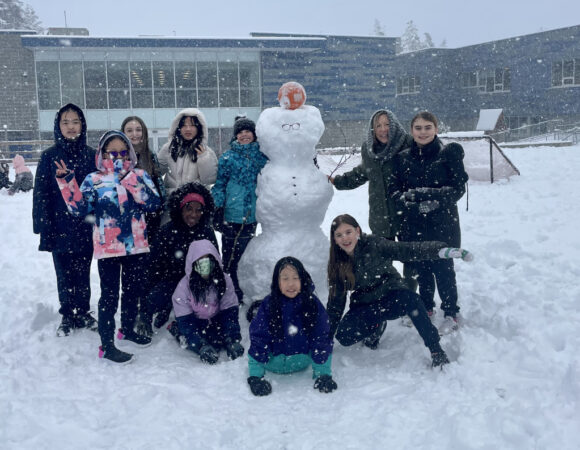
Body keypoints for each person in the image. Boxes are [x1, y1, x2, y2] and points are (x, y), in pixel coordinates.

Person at [56, 130, 161, 364]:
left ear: (130, 154)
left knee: (133, 292)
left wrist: (131, 181)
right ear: (102, 153)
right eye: (112, 152)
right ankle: (107, 344)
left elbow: (154, 204)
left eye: (123, 152)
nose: (118, 157)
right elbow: (79, 209)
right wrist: (66, 182)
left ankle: (127, 329)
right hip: (108, 248)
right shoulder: (93, 179)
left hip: (137, 246)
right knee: (109, 296)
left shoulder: (140, 174)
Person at [326, 214, 473, 368]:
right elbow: (335, 305)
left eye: (348, 232)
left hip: (391, 294)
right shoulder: (337, 262)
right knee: (344, 336)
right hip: (365, 305)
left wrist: (440, 250)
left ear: (357, 230)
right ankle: (377, 325)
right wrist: (326, 339)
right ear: (334, 239)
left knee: (413, 301)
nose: (345, 238)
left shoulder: (374, 244)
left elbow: (407, 250)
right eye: (339, 235)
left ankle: (436, 350)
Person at [389, 111, 469, 335]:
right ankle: (427, 308)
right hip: (413, 224)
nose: (422, 132)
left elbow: (458, 188)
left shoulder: (447, 155)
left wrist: (434, 200)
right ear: (411, 131)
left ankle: (452, 312)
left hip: (443, 223)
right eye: (418, 128)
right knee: (421, 269)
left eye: (427, 127)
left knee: (443, 269)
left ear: (436, 129)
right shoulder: (403, 158)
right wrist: (410, 204)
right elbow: (394, 190)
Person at [32, 103, 96, 337]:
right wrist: (42, 224)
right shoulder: (49, 156)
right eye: (66, 122)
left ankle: (83, 311)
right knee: (64, 273)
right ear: (58, 126)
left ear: (82, 125)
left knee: (83, 271)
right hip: (58, 227)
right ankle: (68, 313)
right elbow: (41, 193)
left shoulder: (90, 155)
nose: (71, 127)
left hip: (84, 226)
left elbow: (95, 192)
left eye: (75, 122)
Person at [247, 257, 337, 397]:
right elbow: (259, 338)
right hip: (272, 364)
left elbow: (321, 338)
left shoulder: (312, 304)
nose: (291, 284)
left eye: (296, 278)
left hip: (301, 362)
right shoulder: (268, 304)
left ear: (302, 280)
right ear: (278, 282)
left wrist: (323, 374)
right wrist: (255, 377)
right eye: (285, 278)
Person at [139, 182, 218, 335]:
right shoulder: (167, 231)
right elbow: (151, 267)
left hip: (197, 282)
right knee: (156, 296)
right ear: (180, 208)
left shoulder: (207, 232)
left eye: (198, 210)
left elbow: (215, 264)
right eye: (189, 209)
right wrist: (146, 306)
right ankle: (151, 313)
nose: (193, 215)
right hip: (170, 280)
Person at [328, 109, 412, 240]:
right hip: (380, 219)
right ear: (373, 129)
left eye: (387, 124)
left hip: (407, 217)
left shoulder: (408, 144)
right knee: (382, 259)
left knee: (411, 258)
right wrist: (337, 181)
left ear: (394, 125)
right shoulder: (369, 150)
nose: (383, 129)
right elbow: (361, 173)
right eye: (378, 125)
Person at [211, 116, 268, 303]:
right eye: (240, 132)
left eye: (247, 131)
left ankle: (242, 287)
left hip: (251, 214)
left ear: (254, 134)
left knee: (245, 252)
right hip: (231, 213)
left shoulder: (261, 155)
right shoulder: (228, 157)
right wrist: (217, 207)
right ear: (236, 136)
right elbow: (220, 185)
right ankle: (229, 288)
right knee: (229, 254)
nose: (244, 135)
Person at [168, 239, 244, 365]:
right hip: (195, 322)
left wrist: (233, 339)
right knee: (189, 337)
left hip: (216, 318)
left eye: (208, 261)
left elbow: (229, 311)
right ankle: (176, 330)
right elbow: (186, 322)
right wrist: (200, 345)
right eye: (200, 262)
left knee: (220, 340)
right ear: (192, 264)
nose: (205, 267)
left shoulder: (224, 281)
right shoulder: (183, 288)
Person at [157, 108, 217, 204]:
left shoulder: (206, 152)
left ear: (199, 128)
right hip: (173, 201)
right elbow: (157, 171)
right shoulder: (168, 148)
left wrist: (203, 158)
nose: (188, 129)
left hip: (196, 203)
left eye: (192, 125)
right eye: (184, 125)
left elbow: (209, 179)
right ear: (178, 128)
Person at [121, 116, 166, 242]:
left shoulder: (150, 156)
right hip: (127, 221)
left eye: (138, 130)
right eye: (129, 131)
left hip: (151, 220)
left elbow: (159, 186)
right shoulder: (119, 157)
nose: (134, 134)